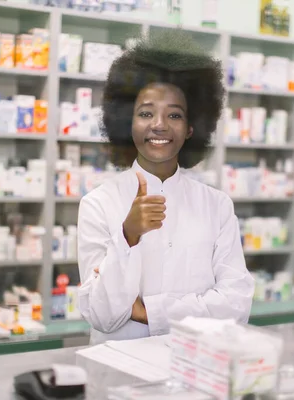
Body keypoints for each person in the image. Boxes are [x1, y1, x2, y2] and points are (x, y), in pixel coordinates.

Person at [77, 30, 254, 344]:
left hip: (193, 366)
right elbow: (102, 315)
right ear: (126, 122)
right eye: (145, 113)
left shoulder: (216, 205)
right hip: (119, 371)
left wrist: (149, 311)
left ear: (190, 129)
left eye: (174, 114)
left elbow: (236, 305)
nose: (159, 125)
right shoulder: (98, 204)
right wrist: (127, 236)